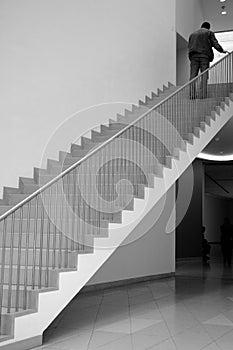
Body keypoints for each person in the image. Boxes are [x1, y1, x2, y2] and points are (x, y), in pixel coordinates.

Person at [188, 22, 227, 99]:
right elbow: (215, 44)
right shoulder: (209, 33)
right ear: (208, 27)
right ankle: (202, 95)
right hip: (204, 56)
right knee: (204, 75)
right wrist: (221, 51)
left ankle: (192, 95)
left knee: (193, 76)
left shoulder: (192, 34)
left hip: (193, 57)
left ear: (201, 26)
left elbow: (189, 47)